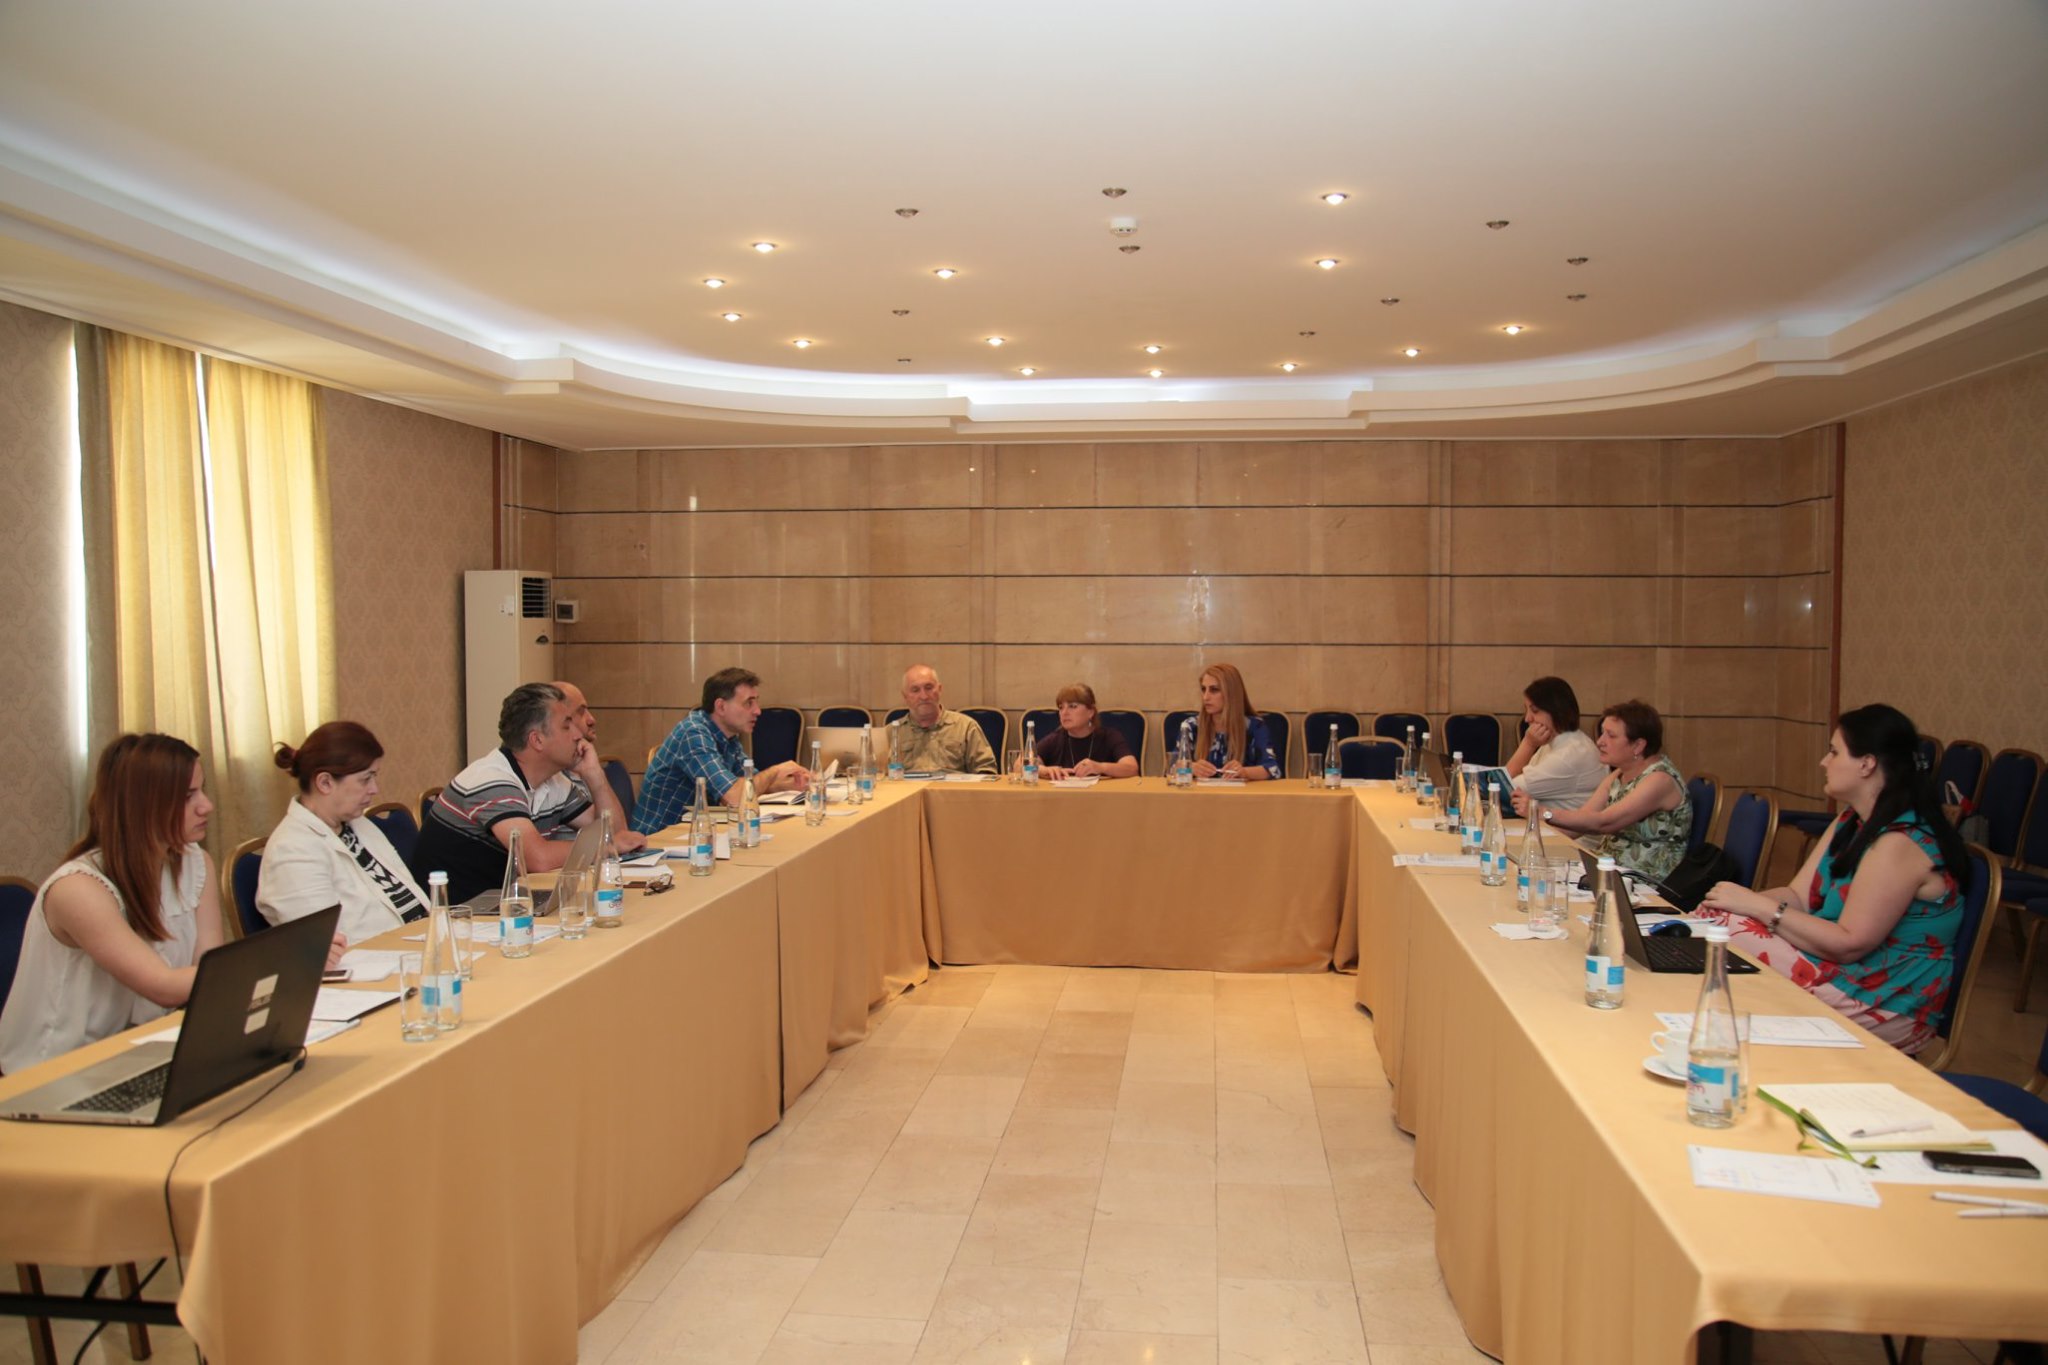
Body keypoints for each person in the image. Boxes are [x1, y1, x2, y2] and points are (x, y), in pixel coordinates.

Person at [0, 734, 338, 1074]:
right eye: (188, 796)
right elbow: (164, 987)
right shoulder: (78, 889)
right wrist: (292, 958)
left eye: (202, 790)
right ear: (140, 805)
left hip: (145, 1047)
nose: (207, 806)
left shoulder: (195, 862)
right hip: (56, 1071)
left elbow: (206, 970)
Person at [1698, 705, 1969, 1053]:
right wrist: (1733, 904)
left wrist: (1754, 907)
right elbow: (1798, 895)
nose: (1824, 762)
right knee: (1716, 920)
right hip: (1848, 975)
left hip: (1884, 1000)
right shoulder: (1850, 821)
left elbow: (1849, 944)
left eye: (1834, 752)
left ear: (1867, 764)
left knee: (1725, 930)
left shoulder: (1900, 842)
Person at [412, 682, 647, 902]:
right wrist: (605, 847)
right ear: (537, 740)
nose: (578, 735)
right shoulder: (492, 781)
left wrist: (595, 776)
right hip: (455, 912)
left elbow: (617, 834)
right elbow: (538, 859)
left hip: (503, 903)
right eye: (566, 726)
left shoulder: (554, 782)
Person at [257, 721, 428, 944]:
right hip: (378, 960)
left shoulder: (357, 823)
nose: (374, 789)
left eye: (374, 777)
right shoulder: (292, 851)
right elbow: (327, 946)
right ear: (325, 782)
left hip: (418, 944)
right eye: (365, 779)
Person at [1515, 699, 1690, 880]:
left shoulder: (1659, 780)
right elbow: (1581, 822)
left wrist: (1542, 812)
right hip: (1607, 870)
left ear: (1638, 745)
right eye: (1602, 733)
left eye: (1611, 736)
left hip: (1644, 881)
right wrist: (1528, 839)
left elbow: (1603, 823)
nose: (1600, 742)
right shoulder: (1619, 774)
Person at [633, 668, 811, 833]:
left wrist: (799, 782)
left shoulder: (729, 737)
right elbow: (735, 798)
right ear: (721, 707)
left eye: (756, 702)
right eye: (748, 703)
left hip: (696, 834)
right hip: (657, 841)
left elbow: (753, 785)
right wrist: (775, 771)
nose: (757, 711)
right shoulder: (693, 734)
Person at [1504, 675, 1605, 810]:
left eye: (1535, 711)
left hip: (1564, 824)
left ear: (1557, 711)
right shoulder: (1556, 743)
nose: (1527, 718)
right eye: (1526, 710)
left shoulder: (1568, 756)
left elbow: (1502, 789)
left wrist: (1528, 744)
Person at [1179, 663, 1281, 781]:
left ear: (1231, 693)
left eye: (1214, 690)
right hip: (1201, 792)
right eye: (1203, 689)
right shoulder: (1190, 726)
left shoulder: (1254, 726)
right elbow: (1172, 767)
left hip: (1242, 792)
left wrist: (1244, 772)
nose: (1205, 697)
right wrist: (1190, 767)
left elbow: (1273, 770)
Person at [894, 664, 998, 774]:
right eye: (915, 690)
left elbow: (987, 772)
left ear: (939, 689)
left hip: (955, 785)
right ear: (905, 696)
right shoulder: (891, 733)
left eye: (928, 688)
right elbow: (881, 776)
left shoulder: (966, 727)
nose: (924, 696)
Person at [1032, 683, 1137, 780]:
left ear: (1091, 712)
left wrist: (1101, 767)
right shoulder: (1054, 739)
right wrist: (1043, 770)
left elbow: (1132, 768)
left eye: (1072, 706)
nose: (1064, 712)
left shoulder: (1109, 736)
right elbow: (1024, 765)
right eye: (1061, 707)